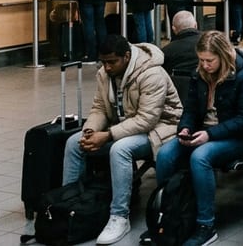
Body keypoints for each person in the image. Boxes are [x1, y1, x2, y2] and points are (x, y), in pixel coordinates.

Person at [63, 36, 183, 245]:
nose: (107, 67)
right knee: (75, 142)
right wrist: (91, 130)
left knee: (119, 149)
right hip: (125, 125)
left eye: (112, 62)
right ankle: (69, 204)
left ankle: (119, 216)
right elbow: (100, 107)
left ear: (126, 56)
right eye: (103, 62)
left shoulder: (151, 73)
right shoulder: (105, 74)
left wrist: (108, 135)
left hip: (161, 128)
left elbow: (147, 119)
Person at [153, 30, 243, 246]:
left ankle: (206, 224)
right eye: (201, 60)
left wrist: (210, 134)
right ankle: (169, 214)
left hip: (237, 137)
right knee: (165, 154)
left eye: (209, 60)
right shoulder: (199, 74)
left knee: (200, 157)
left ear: (223, 56)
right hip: (203, 132)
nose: (204, 65)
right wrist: (184, 128)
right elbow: (191, 109)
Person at [164, 10, 201, 82]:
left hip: (179, 89)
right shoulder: (212, 43)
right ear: (196, 25)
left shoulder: (167, 51)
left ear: (174, 29)